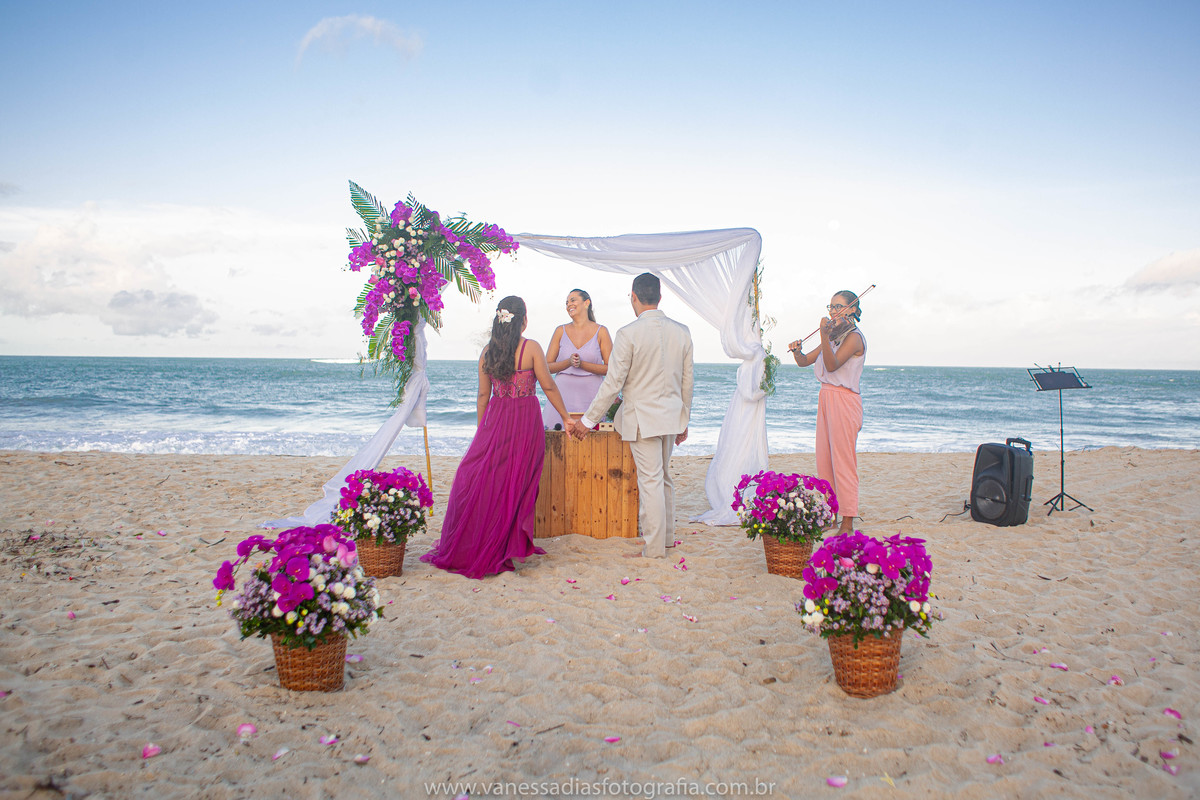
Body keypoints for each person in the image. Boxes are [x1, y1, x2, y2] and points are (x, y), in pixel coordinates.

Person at [421, 297, 572, 579]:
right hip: (526, 421)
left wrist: (482, 433)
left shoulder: (487, 352)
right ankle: (503, 544)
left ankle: (489, 540)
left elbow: (482, 396)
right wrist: (566, 416)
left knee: (488, 478)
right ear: (523, 320)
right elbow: (548, 386)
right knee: (517, 482)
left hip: (497, 420)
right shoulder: (531, 348)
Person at [569, 273, 693, 559]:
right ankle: (668, 539)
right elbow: (687, 382)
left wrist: (588, 421)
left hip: (642, 419)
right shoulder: (682, 331)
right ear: (659, 297)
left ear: (634, 297)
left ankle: (654, 549)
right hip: (671, 416)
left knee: (650, 481)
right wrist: (684, 420)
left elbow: (612, 383)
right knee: (663, 478)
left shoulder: (628, 333)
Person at [789, 290, 866, 534]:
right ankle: (831, 514)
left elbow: (832, 366)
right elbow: (805, 361)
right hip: (826, 397)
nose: (832, 311)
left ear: (852, 309)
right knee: (825, 460)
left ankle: (848, 520)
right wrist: (798, 351)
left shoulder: (853, 338)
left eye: (838, 307)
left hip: (844, 400)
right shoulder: (833, 336)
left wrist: (823, 333)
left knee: (843, 462)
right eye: (830, 307)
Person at [542, 289, 613, 429]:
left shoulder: (602, 331)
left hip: (591, 397)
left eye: (573, 300)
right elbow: (547, 367)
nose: (569, 304)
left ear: (586, 303)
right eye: (567, 302)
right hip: (561, 398)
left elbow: (611, 368)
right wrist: (568, 363)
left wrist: (582, 364)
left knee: (593, 443)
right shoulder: (560, 331)